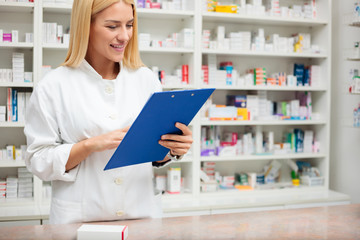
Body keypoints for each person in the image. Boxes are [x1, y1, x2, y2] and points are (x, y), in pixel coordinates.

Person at [24, 0, 193, 224]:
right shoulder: (54, 85)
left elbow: (150, 151)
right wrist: (90, 145)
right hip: (79, 221)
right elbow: (38, 160)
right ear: (86, 26)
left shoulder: (146, 79)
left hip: (141, 216)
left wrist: (173, 148)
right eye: (113, 26)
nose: (124, 36)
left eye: (129, 25)